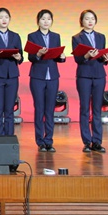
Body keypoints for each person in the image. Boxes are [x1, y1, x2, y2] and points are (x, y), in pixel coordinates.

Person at [72, 9, 108, 153]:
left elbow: (102, 56)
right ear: (81, 21)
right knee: (84, 108)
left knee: (97, 109)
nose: (90, 21)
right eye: (87, 18)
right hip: (84, 76)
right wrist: (87, 56)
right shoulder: (77, 38)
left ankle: (97, 141)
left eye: (92, 19)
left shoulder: (101, 37)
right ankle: (87, 142)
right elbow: (78, 59)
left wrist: (105, 58)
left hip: (99, 75)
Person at [27, 9, 65, 153]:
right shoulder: (32, 36)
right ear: (38, 21)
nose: (46, 21)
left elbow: (57, 57)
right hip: (37, 76)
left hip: (53, 76)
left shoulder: (56, 36)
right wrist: (38, 54)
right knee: (39, 109)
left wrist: (62, 57)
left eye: (48, 19)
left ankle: (49, 140)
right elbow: (31, 57)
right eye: (43, 19)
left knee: (50, 109)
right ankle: (40, 141)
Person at [0, 7, 23, 136]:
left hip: (12, 76)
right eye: (1, 17)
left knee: (9, 108)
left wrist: (19, 57)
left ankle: (9, 137)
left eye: (6, 17)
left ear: (10, 19)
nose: (4, 20)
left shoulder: (15, 36)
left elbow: (21, 57)